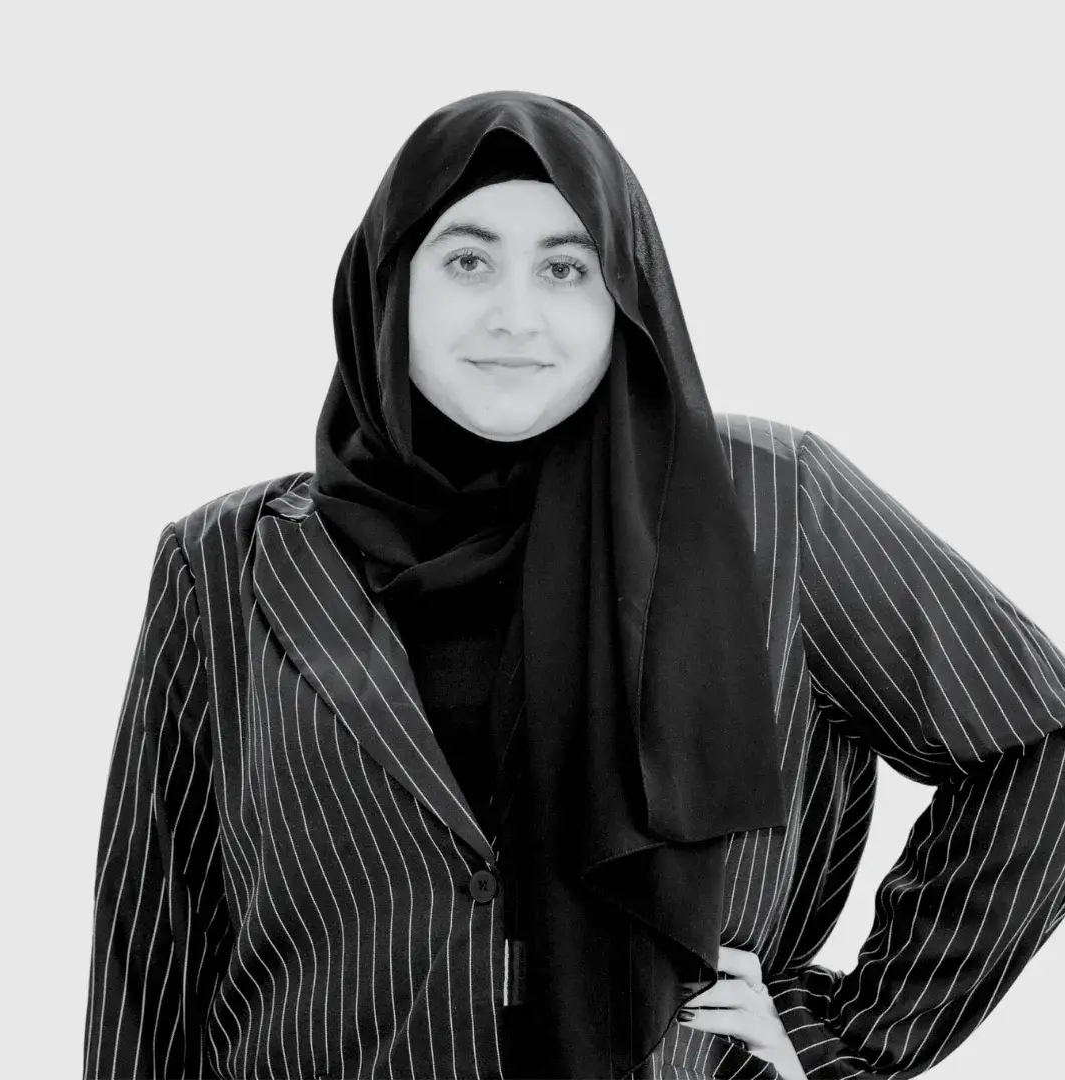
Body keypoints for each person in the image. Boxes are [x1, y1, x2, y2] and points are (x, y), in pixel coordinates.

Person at [82, 90, 1065, 1080]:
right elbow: (155, 939)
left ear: (625, 295)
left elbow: (1037, 741)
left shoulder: (770, 504)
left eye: (565, 268)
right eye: (468, 261)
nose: (516, 315)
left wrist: (849, 1034)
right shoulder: (225, 559)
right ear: (389, 285)